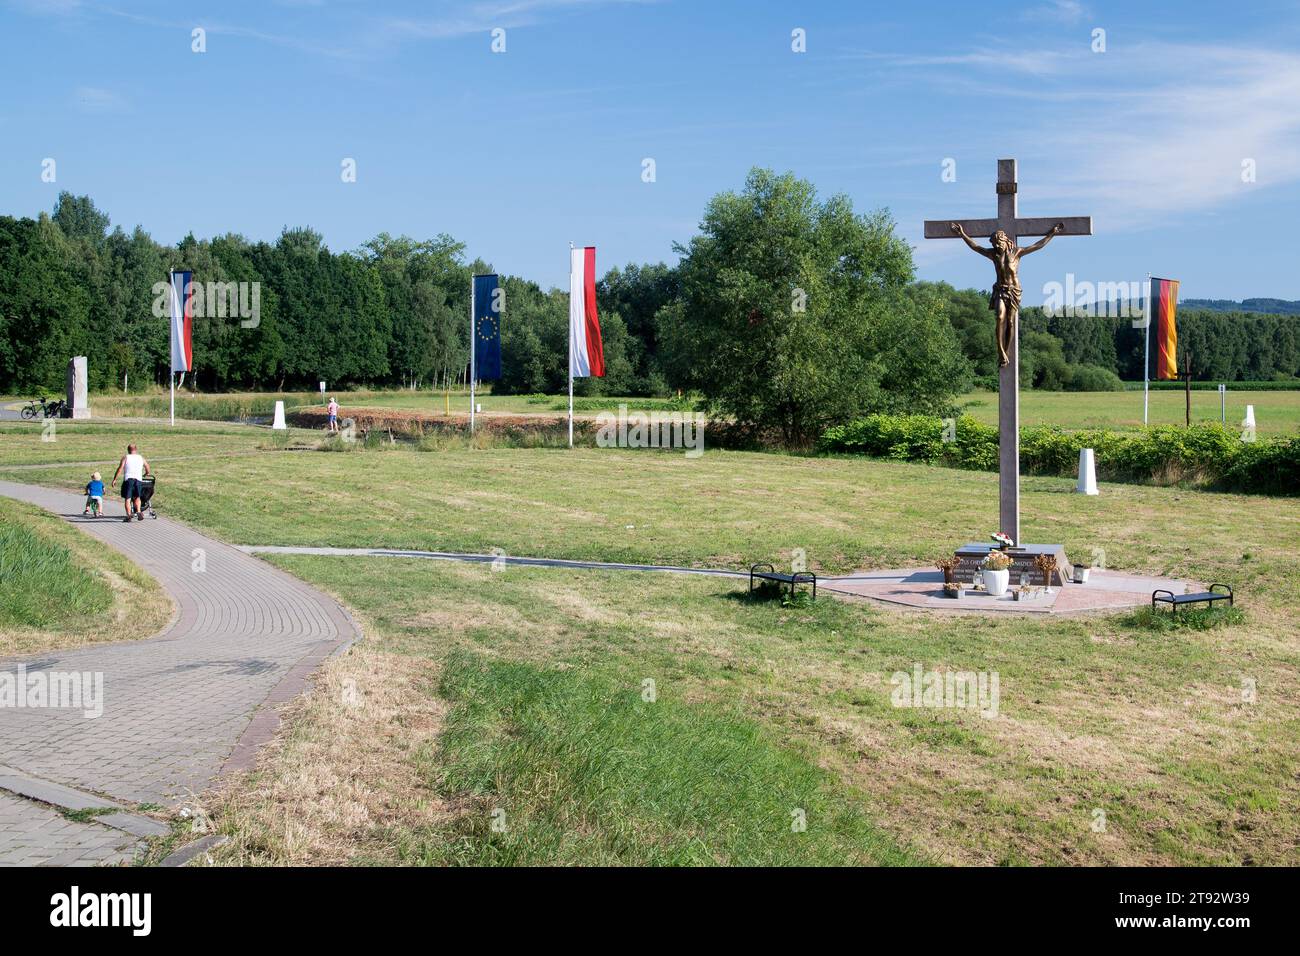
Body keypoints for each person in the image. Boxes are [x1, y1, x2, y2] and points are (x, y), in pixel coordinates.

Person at [951, 221, 1063, 367]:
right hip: (1000, 290)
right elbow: (976, 247)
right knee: (999, 317)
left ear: (1005, 241)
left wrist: (1052, 234)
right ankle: (1001, 352)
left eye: (999, 243)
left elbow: (1037, 245)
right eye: (995, 244)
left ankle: (1007, 351)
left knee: (1010, 321)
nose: (997, 246)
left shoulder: (1017, 252)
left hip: (1014, 291)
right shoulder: (993, 254)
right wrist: (962, 234)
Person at [111, 443, 151, 523]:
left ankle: (129, 515)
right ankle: (139, 511)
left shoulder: (126, 457)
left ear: (128, 450)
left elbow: (120, 468)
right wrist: (147, 473)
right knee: (137, 497)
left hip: (129, 480)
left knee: (128, 498)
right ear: (136, 450)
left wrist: (114, 479)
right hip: (138, 480)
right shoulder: (141, 458)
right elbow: (147, 466)